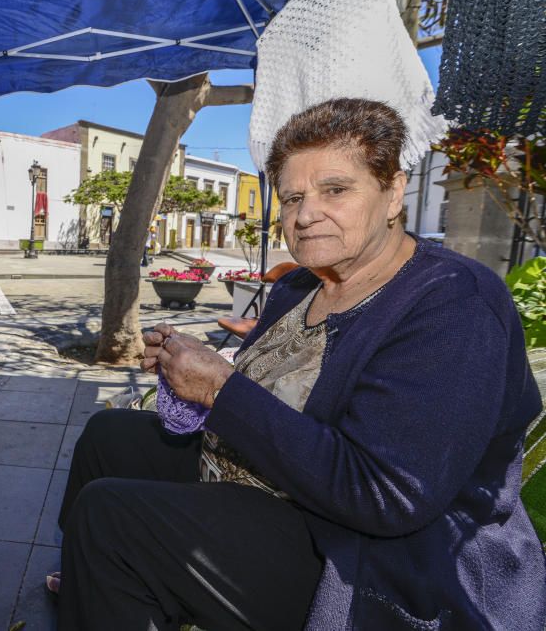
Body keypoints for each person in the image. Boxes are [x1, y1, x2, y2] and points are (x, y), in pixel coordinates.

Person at [52, 99, 546, 630]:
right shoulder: (297, 286)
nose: (306, 214)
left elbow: (385, 496)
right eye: (292, 197)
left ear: (394, 192)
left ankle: (112, 568)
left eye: (335, 190)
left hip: (369, 556)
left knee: (113, 517)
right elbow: (268, 389)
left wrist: (219, 390)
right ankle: (94, 581)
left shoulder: (454, 304)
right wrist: (188, 370)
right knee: (108, 435)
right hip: (268, 483)